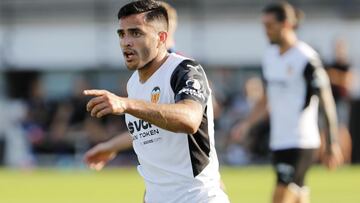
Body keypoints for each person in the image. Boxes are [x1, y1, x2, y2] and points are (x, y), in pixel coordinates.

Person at [83, 1, 229, 203]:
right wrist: (111, 146)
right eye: (121, 34)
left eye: (136, 33)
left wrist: (126, 104)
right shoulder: (134, 84)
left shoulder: (184, 70)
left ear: (161, 38)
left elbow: (190, 119)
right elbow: (150, 135)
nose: (126, 41)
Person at [233, 2, 344, 203]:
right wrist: (248, 124)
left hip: (301, 141)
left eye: (269, 25)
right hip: (279, 140)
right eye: (263, 26)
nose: (265, 31)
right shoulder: (270, 57)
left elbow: (326, 100)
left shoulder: (306, 58)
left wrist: (332, 142)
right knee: (299, 195)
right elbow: (267, 98)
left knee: (280, 197)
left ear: (286, 24)